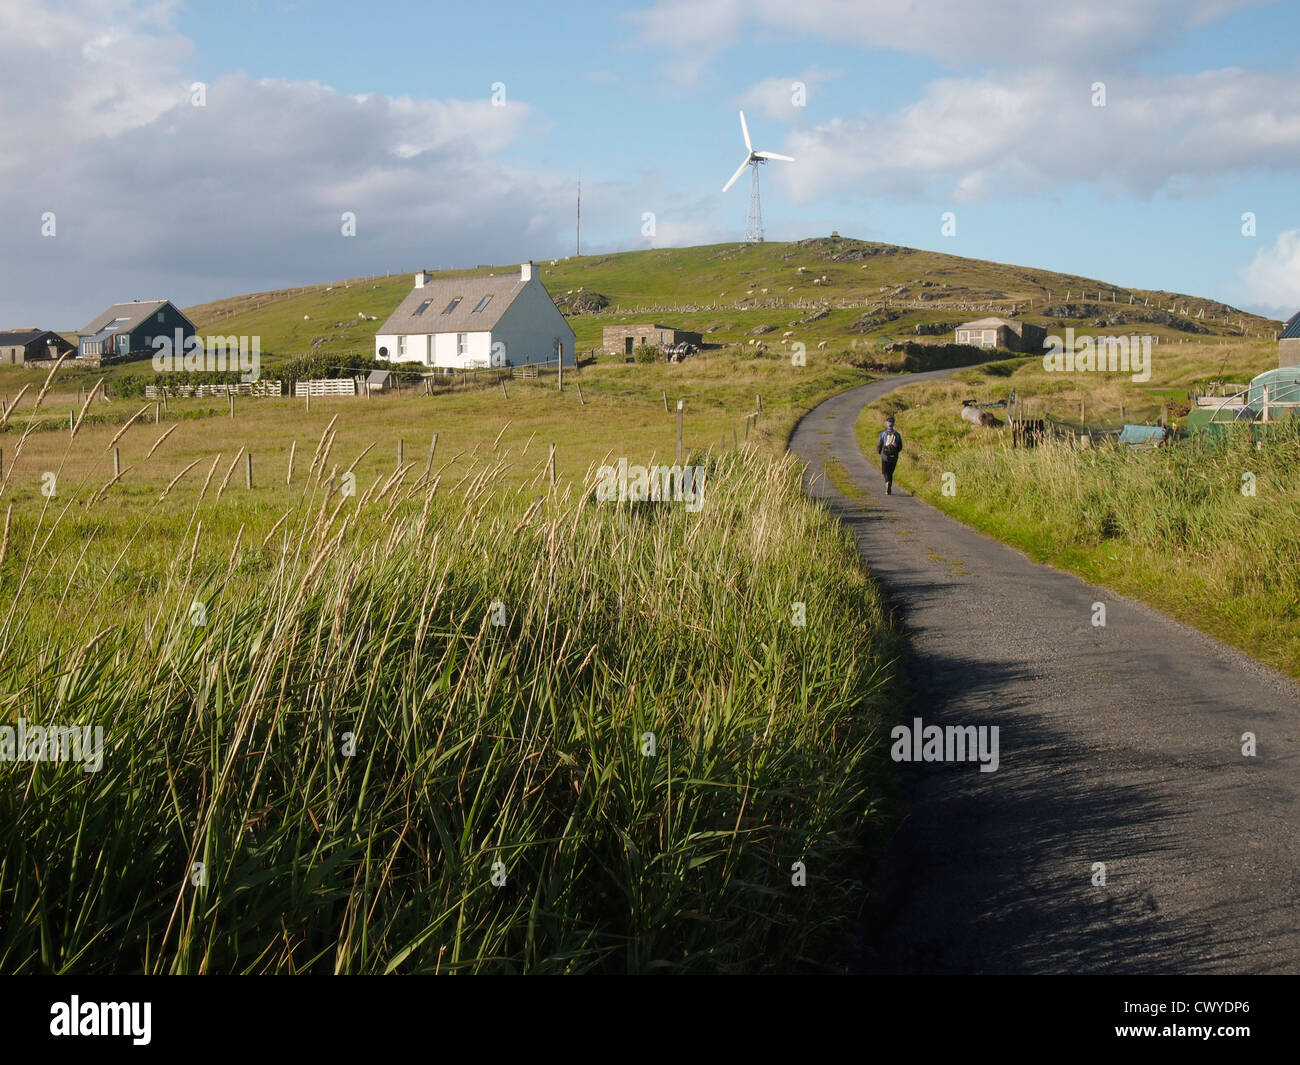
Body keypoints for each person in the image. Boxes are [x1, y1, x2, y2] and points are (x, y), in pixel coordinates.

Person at [876, 415, 903, 495]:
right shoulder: (897, 435)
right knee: (890, 472)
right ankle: (889, 487)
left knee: (885, 472)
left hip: (885, 456)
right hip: (894, 456)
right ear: (893, 424)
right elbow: (900, 447)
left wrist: (879, 452)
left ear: (886, 424)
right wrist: (896, 452)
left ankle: (887, 483)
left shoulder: (883, 434)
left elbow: (879, 445)